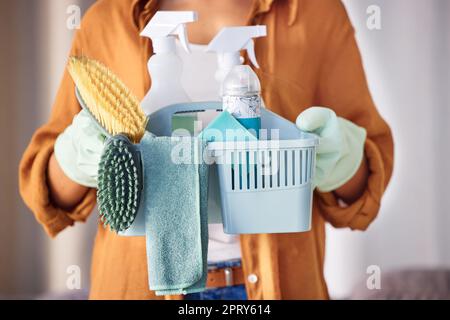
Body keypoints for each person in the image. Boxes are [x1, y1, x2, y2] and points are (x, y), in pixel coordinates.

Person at [19, 0, 394, 300]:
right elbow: (49, 197)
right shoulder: (106, 21)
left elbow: (362, 191)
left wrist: (340, 158)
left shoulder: (315, 13)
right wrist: (77, 155)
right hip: (139, 287)